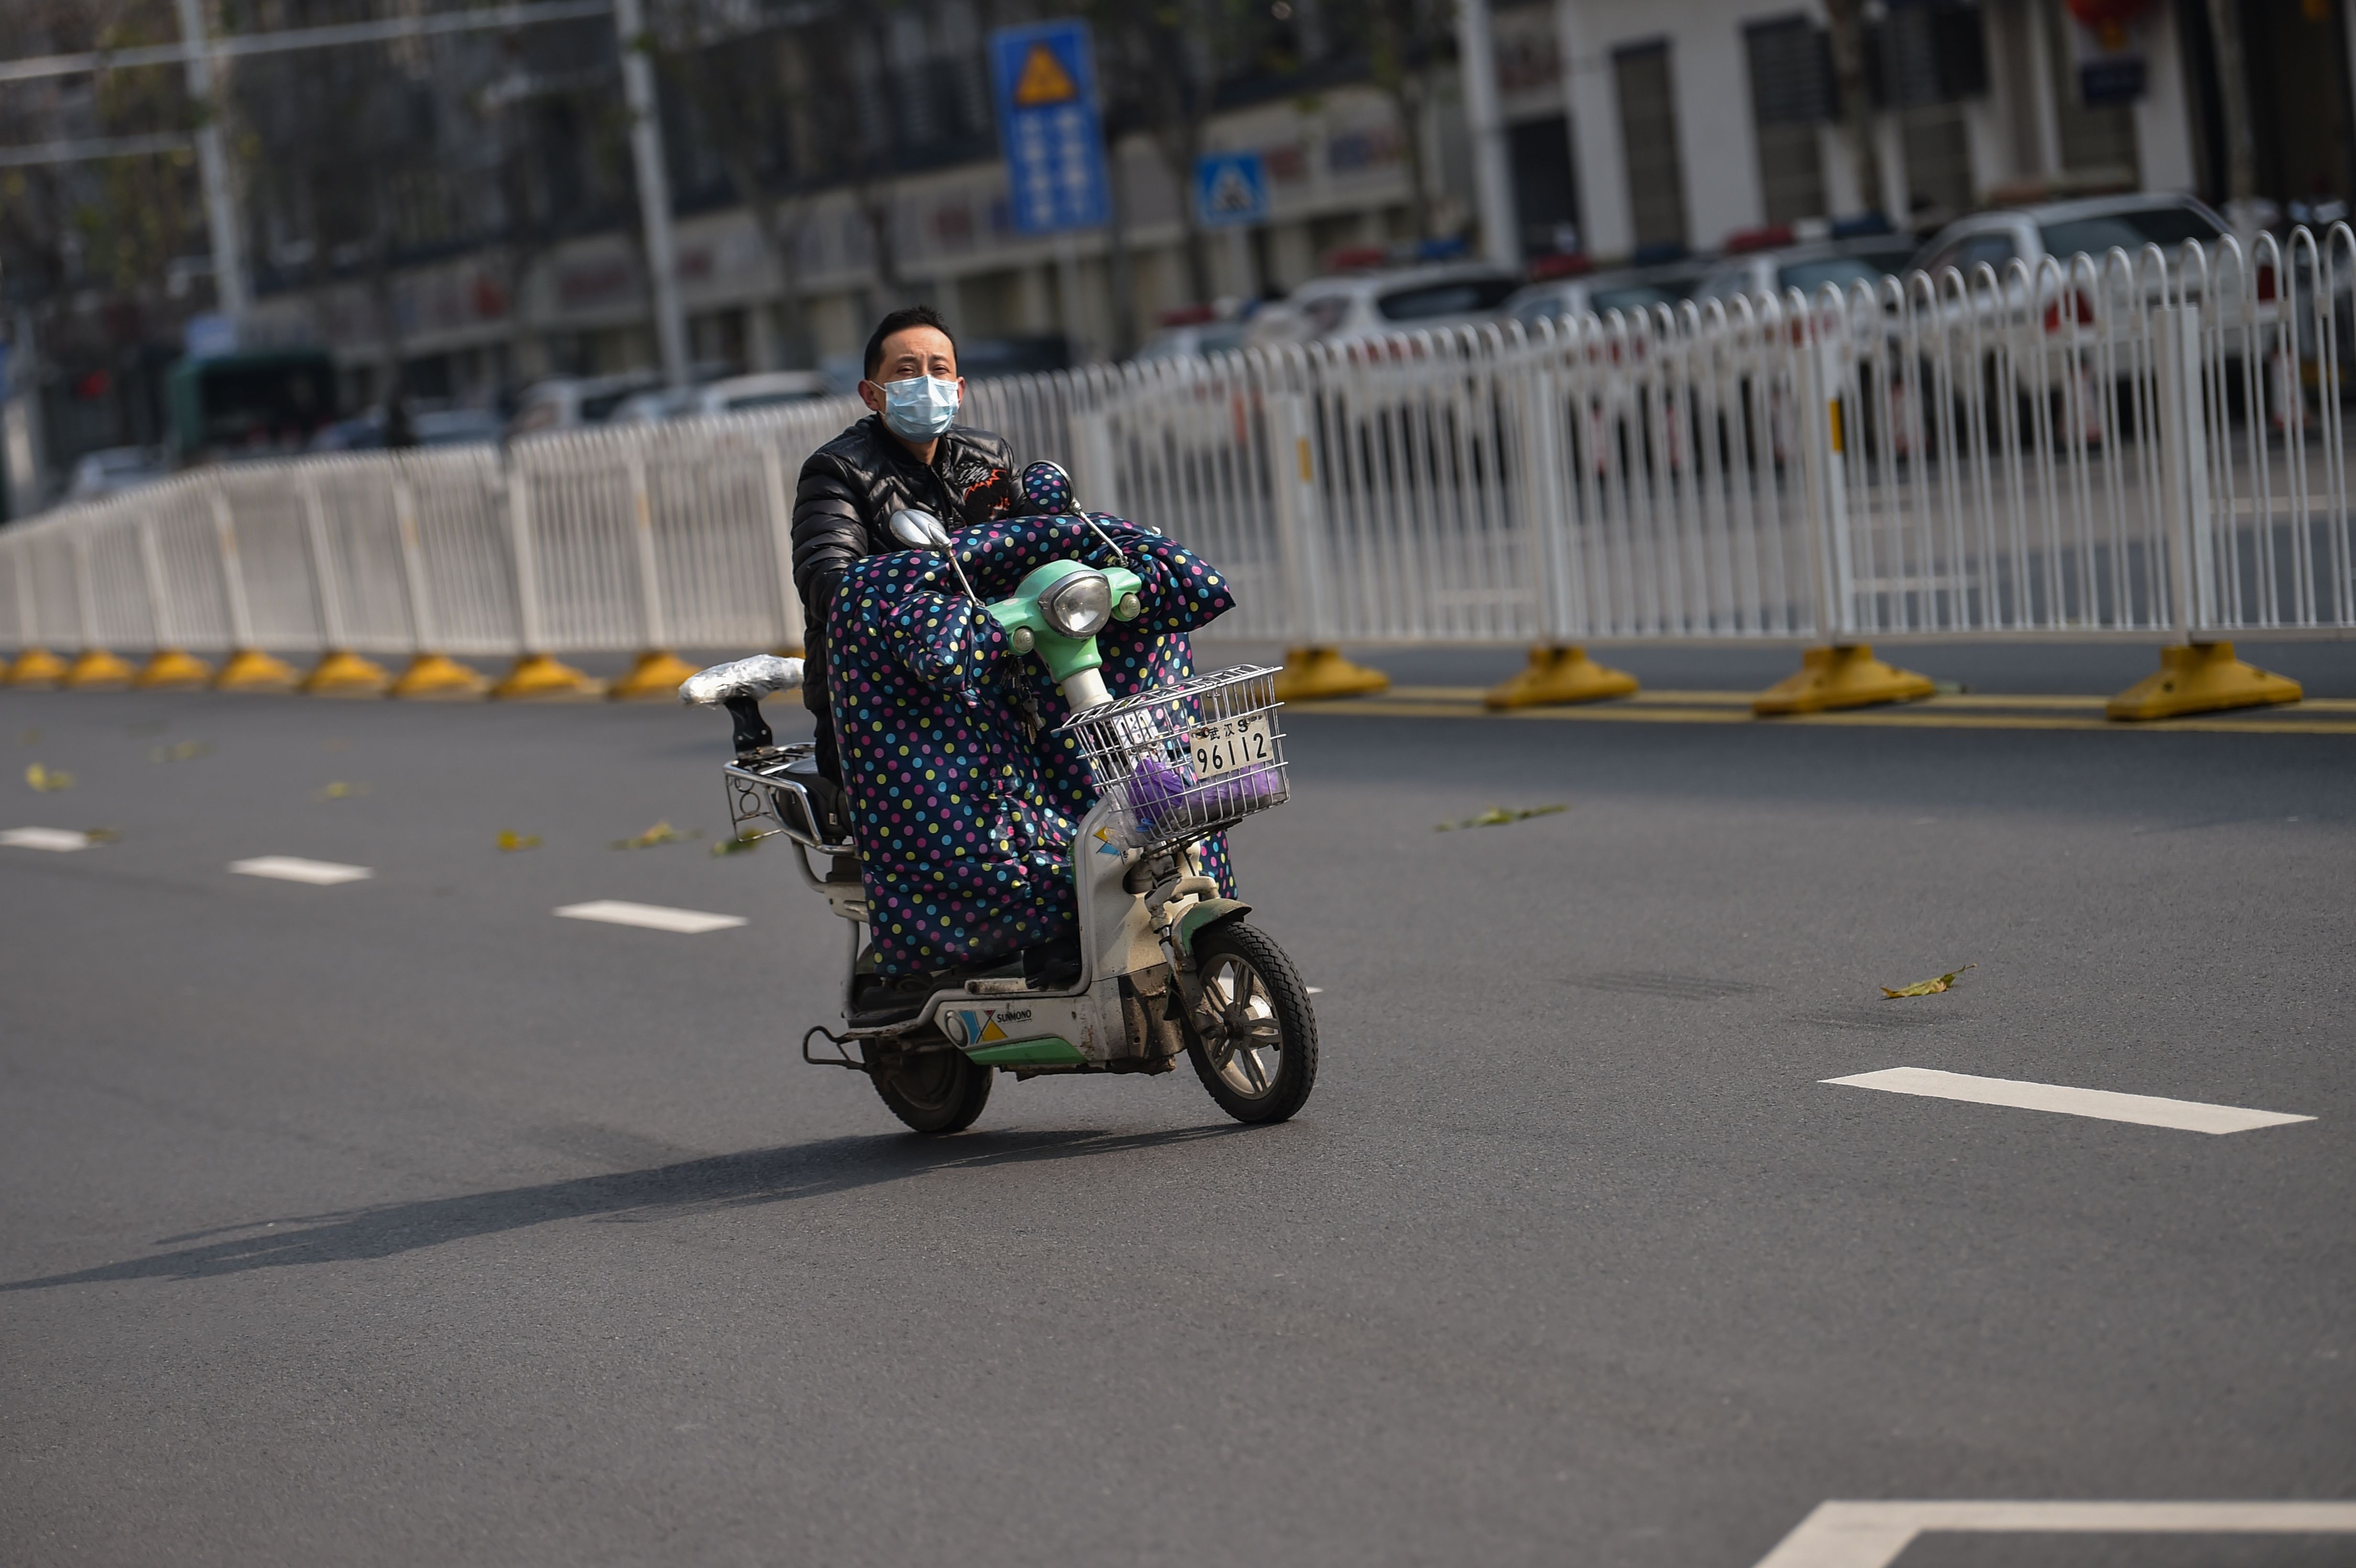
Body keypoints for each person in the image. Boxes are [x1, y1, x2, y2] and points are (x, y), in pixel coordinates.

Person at [790, 306, 1016, 780]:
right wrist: (918, 596)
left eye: (938, 370)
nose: (925, 382)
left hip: (996, 671)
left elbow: (1035, 539)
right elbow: (826, 579)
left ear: (958, 391)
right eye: (906, 371)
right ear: (872, 395)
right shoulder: (837, 470)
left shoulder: (989, 457)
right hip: (882, 692)